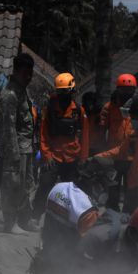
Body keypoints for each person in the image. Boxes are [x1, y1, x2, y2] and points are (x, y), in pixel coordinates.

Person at [31, 180, 103, 274]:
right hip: (69, 261)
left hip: (49, 249)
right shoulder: (88, 209)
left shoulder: (59, 188)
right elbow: (88, 244)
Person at [33, 73, 90, 216]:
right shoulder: (50, 110)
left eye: (65, 91)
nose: (63, 95)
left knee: (72, 190)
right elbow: (43, 134)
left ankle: (70, 217)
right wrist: (47, 156)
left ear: (72, 91)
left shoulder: (78, 110)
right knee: (45, 185)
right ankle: (35, 214)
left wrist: (83, 158)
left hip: (72, 157)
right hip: (53, 155)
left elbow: (85, 135)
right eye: (60, 91)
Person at [0, 53, 38, 233]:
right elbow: (9, 127)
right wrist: (14, 154)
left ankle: (24, 220)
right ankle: (10, 223)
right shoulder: (9, 94)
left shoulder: (21, 90)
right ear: (17, 71)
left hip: (26, 146)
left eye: (30, 74)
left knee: (26, 185)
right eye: (26, 74)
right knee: (11, 184)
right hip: (15, 148)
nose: (29, 78)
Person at [104, 74, 137, 210]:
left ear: (134, 90)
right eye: (123, 90)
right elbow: (101, 128)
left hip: (132, 155)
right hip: (114, 154)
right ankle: (112, 209)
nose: (126, 94)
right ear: (118, 90)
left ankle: (129, 210)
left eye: (129, 90)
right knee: (113, 183)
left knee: (131, 185)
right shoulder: (110, 107)